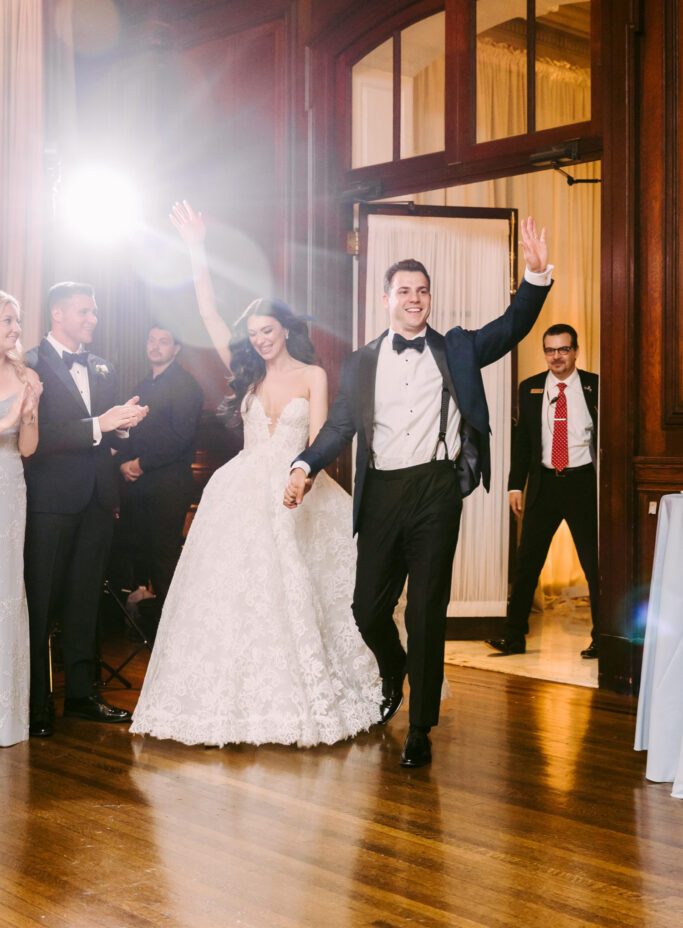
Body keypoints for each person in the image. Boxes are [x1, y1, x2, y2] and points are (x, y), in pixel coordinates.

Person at [284, 217, 553, 769]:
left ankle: (421, 727)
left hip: (435, 489)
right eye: (404, 291)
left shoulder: (456, 348)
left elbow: (514, 324)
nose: (414, 298)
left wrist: (534, 273)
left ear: (430, 298)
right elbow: (337, 427)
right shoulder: (360, 362)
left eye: (422, 290)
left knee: (428, 610)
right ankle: (394, 668)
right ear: (387, 299)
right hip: (381, 489)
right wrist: (304, 465)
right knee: (365, 609)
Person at [130, 201, 380, 747]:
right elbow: (209, 315)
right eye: (256, 334)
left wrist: (302, 478)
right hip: (238, 491)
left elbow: (320, 441)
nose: (262, 340)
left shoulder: (313, 375)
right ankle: (227, 705)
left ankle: (303, 699)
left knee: (295, 592)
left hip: (294, 489)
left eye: (269, 331)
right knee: (230, 596)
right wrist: (196, 248)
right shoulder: (246, 375)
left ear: (285, 329)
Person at [23, 282, 148, 738]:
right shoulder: (30, 365)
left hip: (97, 498)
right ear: (58, 314)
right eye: (84, 312)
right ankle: (36, 704)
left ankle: (81, 695)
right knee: (41, 603)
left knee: (84, 601)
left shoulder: (103, 366)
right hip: (50, 502)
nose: (93, 319)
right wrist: (100, 423)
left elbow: (107, 437)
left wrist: (124, 426)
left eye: (94, 312)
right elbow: (38, 438)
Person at [487, 323, 599, 659]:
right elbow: (522, 443)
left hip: (582, 483)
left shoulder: (595, 386)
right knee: (526, 565)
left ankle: (603, 638)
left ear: (575, 351)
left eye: (563, 349)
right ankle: (514, 637)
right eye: (550, 350)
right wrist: (513, 486)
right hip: (543, 485)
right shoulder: (531, 388)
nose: (557, 357)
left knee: (595, 566)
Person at [113, 324, 204, 630]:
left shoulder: (186, 385)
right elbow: (130, 432)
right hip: (139, 483)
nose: (155, 346)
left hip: (169, 483)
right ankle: (148, 626)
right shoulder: (142, 385)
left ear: (176, 348)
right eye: (151, 340)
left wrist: (139, 464)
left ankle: (175, 631)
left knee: (163, 557)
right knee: (139, 551)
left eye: (163, 342)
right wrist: (124, 463)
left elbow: (180, 438)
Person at [0, 291, 41, 747]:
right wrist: (11, 412)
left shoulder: (25, 374)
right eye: (8, 320)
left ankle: (7, 716)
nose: (16, 328)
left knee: (8, 589)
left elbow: (28, 447)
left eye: (18, 320)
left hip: (9, 483)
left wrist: (28, 415)